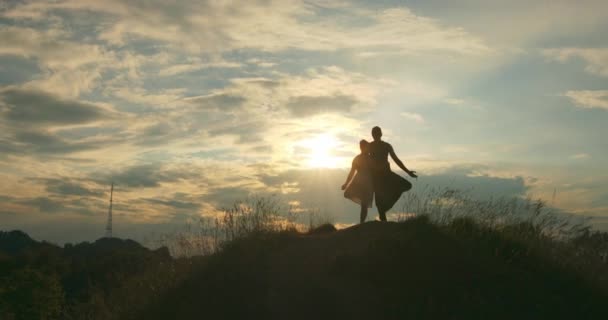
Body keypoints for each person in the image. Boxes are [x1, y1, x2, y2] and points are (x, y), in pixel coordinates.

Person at [368, 126, 417, 221]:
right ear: (373, 135)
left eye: (377, 133)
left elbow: (396, 159)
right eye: (374, 133)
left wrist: (407, 171)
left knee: (406, 185)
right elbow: (365, 161)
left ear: (380, 134)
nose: (376, 135)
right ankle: (383, 216)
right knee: (379, 203)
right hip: (376, 177)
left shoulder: (386, 146)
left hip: (386, 174)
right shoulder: (370, 146)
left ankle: (386, 207)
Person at [342, 139, 374, 224]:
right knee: (364, 204)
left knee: (364, 204)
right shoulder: (357, 158)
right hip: (359, 182)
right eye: (363, 146)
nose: (365, 148)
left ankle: (361, 223)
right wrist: (346, 184)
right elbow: (352, 172)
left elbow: (376, 170)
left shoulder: (371, 158)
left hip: (368, 182)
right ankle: (362, 223)